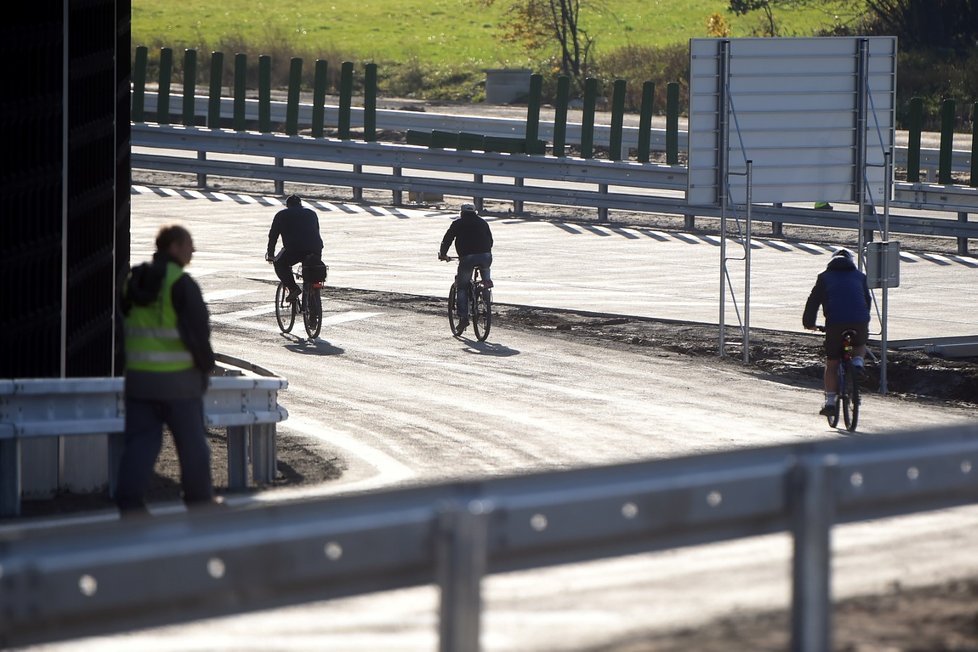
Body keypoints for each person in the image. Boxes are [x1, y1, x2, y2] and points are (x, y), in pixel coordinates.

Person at [116, 224, 217, 515]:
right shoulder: (181, 284)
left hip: (138, 379)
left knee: (140, 445)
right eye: (188, 244)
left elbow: (123, 323)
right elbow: (198, 333)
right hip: (179, 382)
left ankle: (130, 505)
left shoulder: (133, 281)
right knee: (193, 445)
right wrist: (205, 367)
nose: (192, 250)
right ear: (173, 247)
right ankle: (199, 500)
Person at [802, 248, 872, 416]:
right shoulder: (860, 277)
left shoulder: (824, 277)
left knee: (832, 362)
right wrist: (863, 319)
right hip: (859, 321)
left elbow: (813, 302)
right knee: (860, 343)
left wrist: (809, 324)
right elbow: (867, 300)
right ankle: (857, 363)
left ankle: (831, 402)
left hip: (835, 323)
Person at [438, 203, 493, 332]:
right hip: (486, 257)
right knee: (485, 280)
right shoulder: (483, 223)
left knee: (462, 287)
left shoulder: (458, 223)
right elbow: (490, 241)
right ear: (475, 212)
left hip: (467, 258)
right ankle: (486, 300)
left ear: (461, 213)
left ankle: (463, 318)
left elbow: (447, 239)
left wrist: (443, 254)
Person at [265, 194, 324, 304]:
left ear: (288, 206)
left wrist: (270, 254)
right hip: (315, 248)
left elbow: (273, 236)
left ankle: (293, 288)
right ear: (300, 204)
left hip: (294, 249)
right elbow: (316, 231)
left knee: (279, 264)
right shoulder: (311, 213)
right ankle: (312, 310)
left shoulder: (281, 215)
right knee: (311, 273)